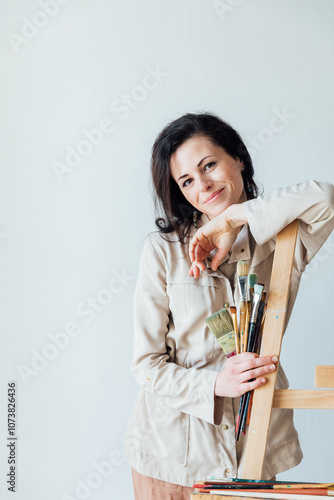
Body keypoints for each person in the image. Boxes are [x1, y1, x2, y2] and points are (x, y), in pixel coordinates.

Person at [123, 112, 334, 500]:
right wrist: (216, 384)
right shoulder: (162, 251)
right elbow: (146, 365)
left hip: (254, 451)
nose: (202, 185)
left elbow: (326, 198)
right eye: (187, 180)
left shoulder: (284, 240)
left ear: (238, 158)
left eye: (210, 165)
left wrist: (233, 218)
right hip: (173, 458)